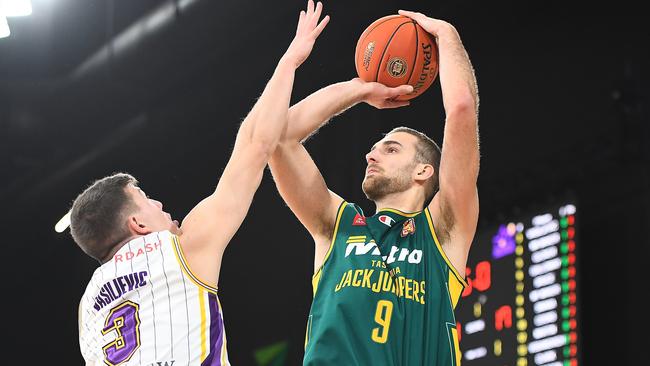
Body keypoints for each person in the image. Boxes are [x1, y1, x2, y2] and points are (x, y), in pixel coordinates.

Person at [72, 2, 329, 365]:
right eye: (147, 201)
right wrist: (290, 61)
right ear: (138, 224)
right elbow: (256, 145)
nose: (160, 206)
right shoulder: (178, 250)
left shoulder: (88, 308)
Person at [269, 10, 479, 365]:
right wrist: (359, 89)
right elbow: (278, 138)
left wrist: (447, 35)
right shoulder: (338, 225)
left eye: (391, 148)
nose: (371, 154)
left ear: (424, 171)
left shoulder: (442, 231)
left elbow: (461, 109)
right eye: (374, 147)